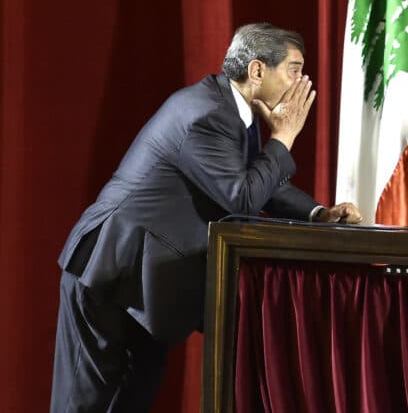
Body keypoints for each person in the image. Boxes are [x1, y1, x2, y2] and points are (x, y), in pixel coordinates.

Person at [51, 23, 362, 412]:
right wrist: (283, 137)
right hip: (109, 269)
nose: (301, 83)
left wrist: (318, 214)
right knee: (85, 404)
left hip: (138, 279)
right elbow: (241, 198)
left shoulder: (232, 110)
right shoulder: (207, 115)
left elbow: (255, 181)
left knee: (132, 397)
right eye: (293, 70)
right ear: (257, 70)